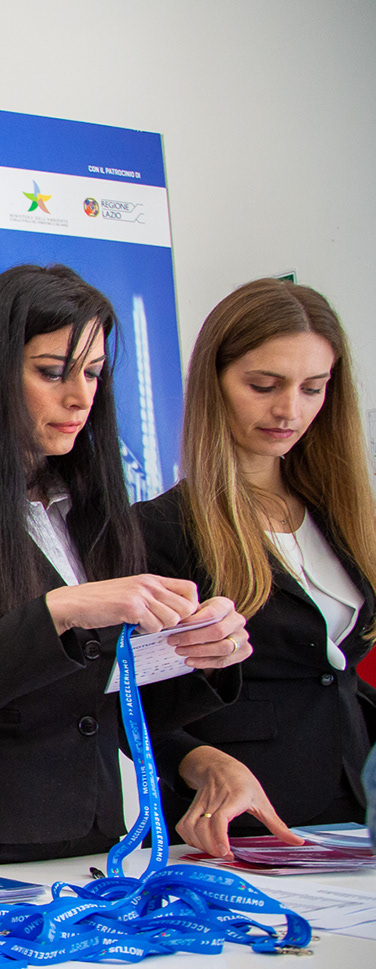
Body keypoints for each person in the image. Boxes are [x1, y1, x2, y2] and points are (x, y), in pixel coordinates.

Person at [0, 263, 252, 866]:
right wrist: (59, 611)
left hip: (96, 850)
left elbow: (111, 707)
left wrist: (201, 653)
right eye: (52, 372)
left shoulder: (101, 514)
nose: (80, 397)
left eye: (93, 373)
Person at [135, 279, 374, 854]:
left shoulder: (346, 516)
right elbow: (126, 701)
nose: (290, 410)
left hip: (353, 807)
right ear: (213, 382)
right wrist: (199, 761)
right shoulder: (159, 529)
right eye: (263, 386)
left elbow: (332, 669)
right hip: (238, 822)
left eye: (313, 388)